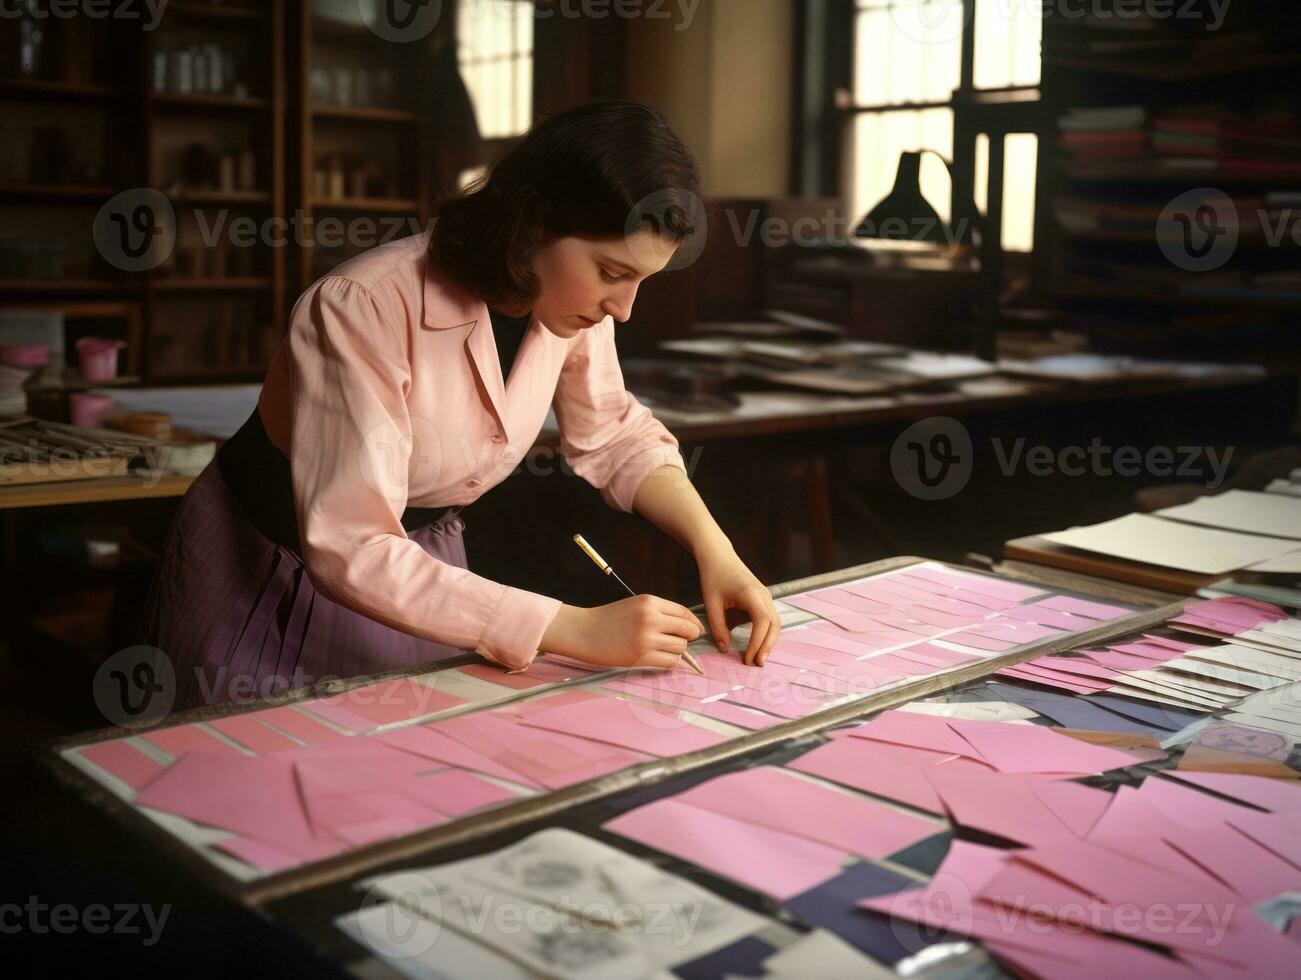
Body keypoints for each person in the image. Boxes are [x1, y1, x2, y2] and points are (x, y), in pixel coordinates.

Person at [145, 100, 780, 709]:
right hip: (267, 562)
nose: (625, 308)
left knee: (394, 779)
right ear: (532, 222)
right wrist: (574, 628)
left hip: (421, 564)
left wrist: (715, 550)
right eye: (613, 273)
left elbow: (616, 436)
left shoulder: (574, 307)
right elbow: (353, 545)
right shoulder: (362, 305)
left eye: (643, 280)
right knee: (246, 779)